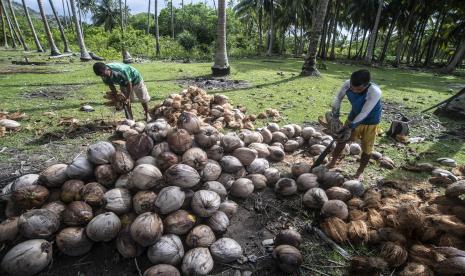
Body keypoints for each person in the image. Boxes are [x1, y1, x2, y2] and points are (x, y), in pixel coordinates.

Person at [326, 69, 382, 180]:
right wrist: (335, 115)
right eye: (352, 88)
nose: (355, 91)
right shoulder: (347, 84)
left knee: (367, 148)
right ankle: (333, 161)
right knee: (342, 139)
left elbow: (364, 112)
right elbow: (338, 98)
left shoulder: (375, 92)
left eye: (359, 89)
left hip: (370, 121)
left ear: (366, 85)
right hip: (354, 115)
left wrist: (350, 126)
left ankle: (360, 171)